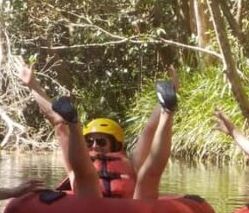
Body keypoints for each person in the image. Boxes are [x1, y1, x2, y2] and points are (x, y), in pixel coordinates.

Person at [18, 59, 178, 200]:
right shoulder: (79, 160)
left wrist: (167, 98)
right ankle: (74, 125)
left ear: (115, 145)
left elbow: (149, 130)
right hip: (91, 202)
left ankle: (167, 111)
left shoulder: (132, 162)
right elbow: (58, 122)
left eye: (101, 141)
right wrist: (33, 85)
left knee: (149, 176)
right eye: (89, 142)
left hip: (135, 210)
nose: (94, 146)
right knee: (84, 174)